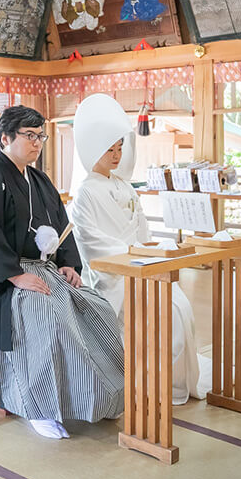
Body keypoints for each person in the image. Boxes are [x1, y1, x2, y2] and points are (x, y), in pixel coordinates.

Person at [0, 106, 123, 440]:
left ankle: (102, 397)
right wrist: (14, 275)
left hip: (45, 270)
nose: (37, 143)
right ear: (5, 138)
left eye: (40, 136)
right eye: (29, 135)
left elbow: (61, 228)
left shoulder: (39, 179)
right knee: (44, 315)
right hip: (2, 283)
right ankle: (37, 406)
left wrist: (68, 263)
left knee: (96, 308)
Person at [69, 93, 210, 406]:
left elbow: (142, 229)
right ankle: (145, 379)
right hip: (115, 276)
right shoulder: (86, 193)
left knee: (178, 306)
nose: (117, 156)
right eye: (110, 149)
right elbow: (90, 242)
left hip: (143, 266)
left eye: (120, 148)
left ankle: (166, 379)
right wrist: (131, 250)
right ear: (94, 150)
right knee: (165, 311)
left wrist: (150, 248)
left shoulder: (124, 186)